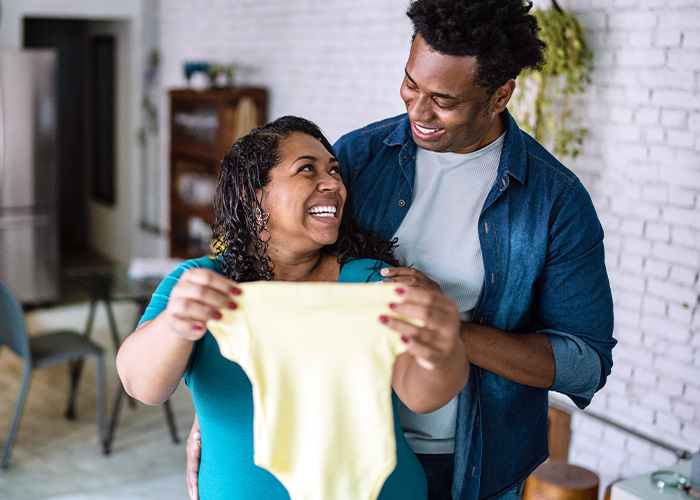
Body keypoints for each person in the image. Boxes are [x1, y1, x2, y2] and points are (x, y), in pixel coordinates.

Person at [186, 0, 616, 499]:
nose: (417, 110)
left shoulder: (555, 201)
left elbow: (585, 362)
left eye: (444, 100)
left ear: (500, 95)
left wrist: (447, 324)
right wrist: (217, 414)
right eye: (411, 84)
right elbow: (270, 266)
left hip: (474, 462)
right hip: (340, 443)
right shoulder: (358, 157)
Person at [116, 115, 468, 500]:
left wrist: (441, 352)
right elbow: (140, 385)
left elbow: (422, 395)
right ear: (253, 194)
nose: (333, 183)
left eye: (335, 171)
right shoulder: (201, 284)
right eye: (307, 170)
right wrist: (175, 325)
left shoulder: (369, 283)